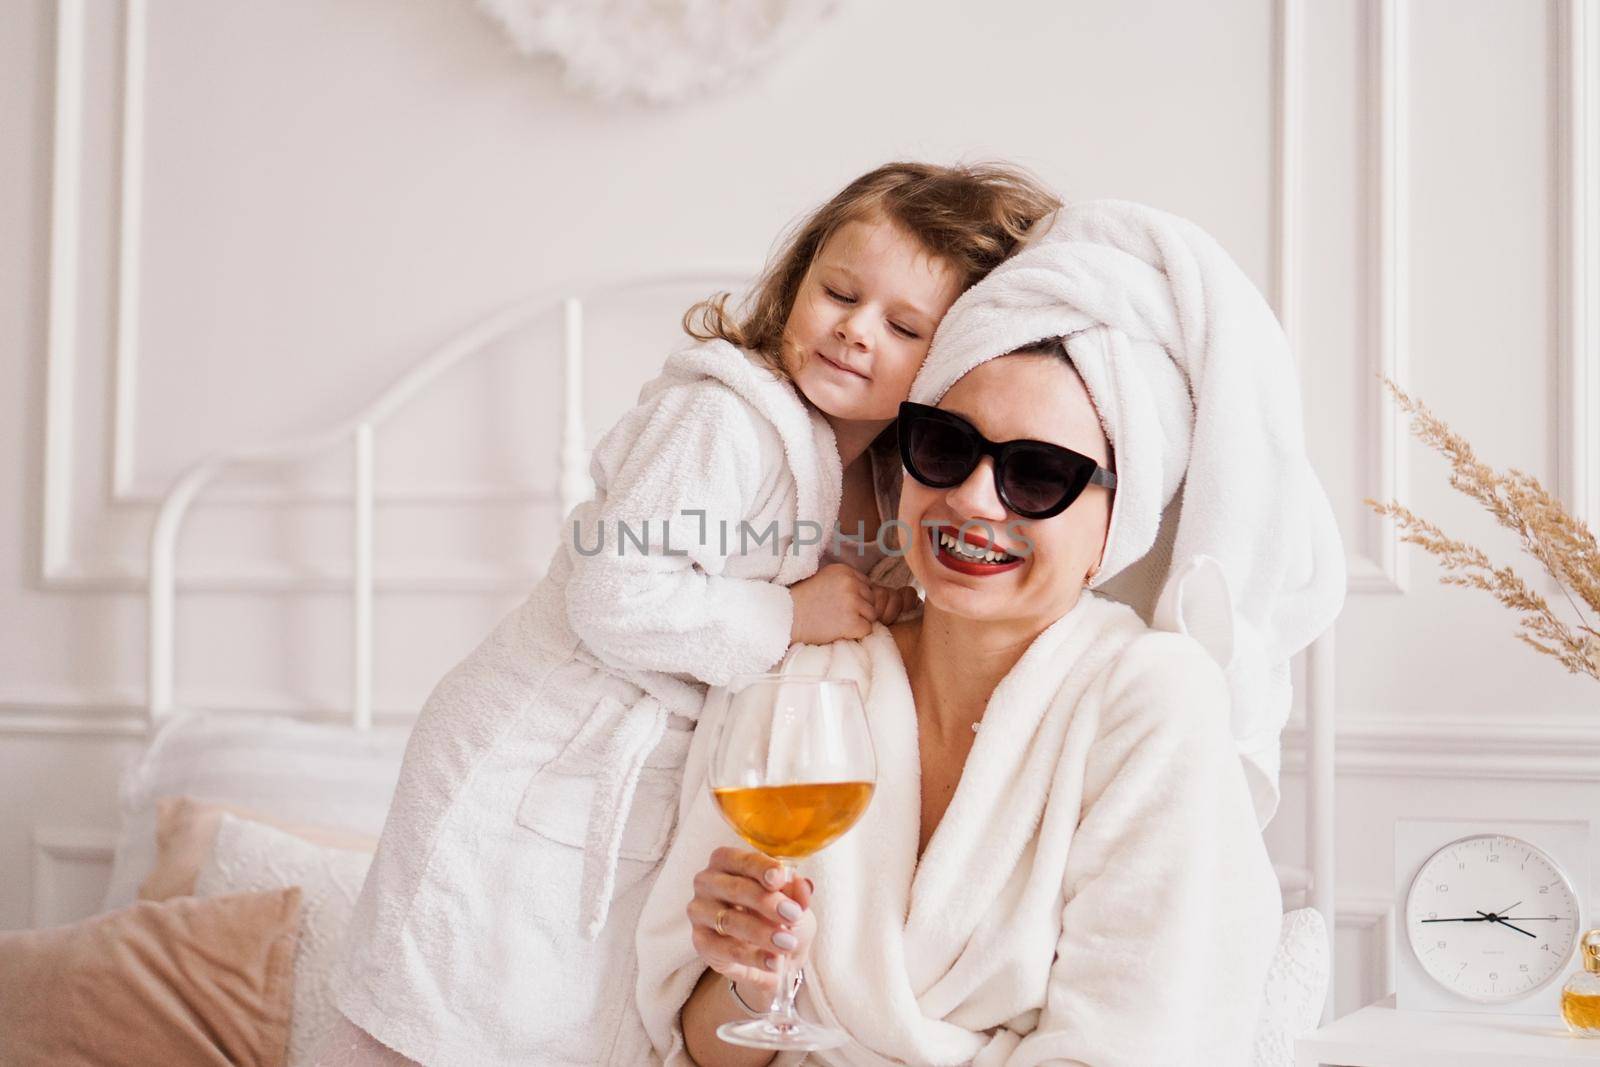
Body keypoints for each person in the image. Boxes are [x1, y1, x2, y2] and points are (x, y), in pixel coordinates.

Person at [320, 162, 1061, 1067]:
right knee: (445, 998)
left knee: (559, 1017)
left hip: (630, 791)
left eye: (904, 327)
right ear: (796, 282)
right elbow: (615, 593)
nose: (855, 330)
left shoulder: (866, 475)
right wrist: (788, 615)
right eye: (837, 291)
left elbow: (871, 592)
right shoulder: (722, 418)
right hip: (536, 754)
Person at [636, 200, 1347, 1066]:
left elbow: (1135, 1045)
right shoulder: (805, 673)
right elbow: (705, 1048)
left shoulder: (1151, 701)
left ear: (1116, 523)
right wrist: (747, 971)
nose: (974, 499)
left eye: (1038, 474)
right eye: (944, 446)